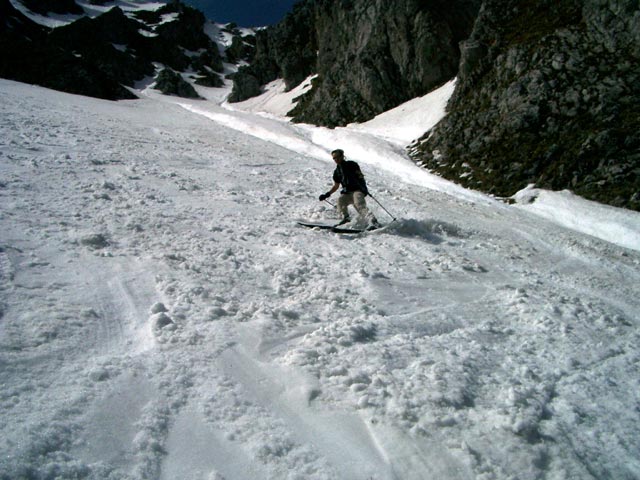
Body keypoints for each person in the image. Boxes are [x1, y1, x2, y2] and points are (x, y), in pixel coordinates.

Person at [319, 149, 380, 228]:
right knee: (340, 200)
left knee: (358, 204)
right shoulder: (337, 172)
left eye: (337, 157)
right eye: (334, 158)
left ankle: (373, 222)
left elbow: (360, 175)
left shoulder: (351, 164)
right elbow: (336, 186)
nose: (336, 160)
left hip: (358, 190)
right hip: (347, 192)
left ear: (342, 156)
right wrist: (327, 194)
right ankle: (346, 218)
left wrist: (360, 183)